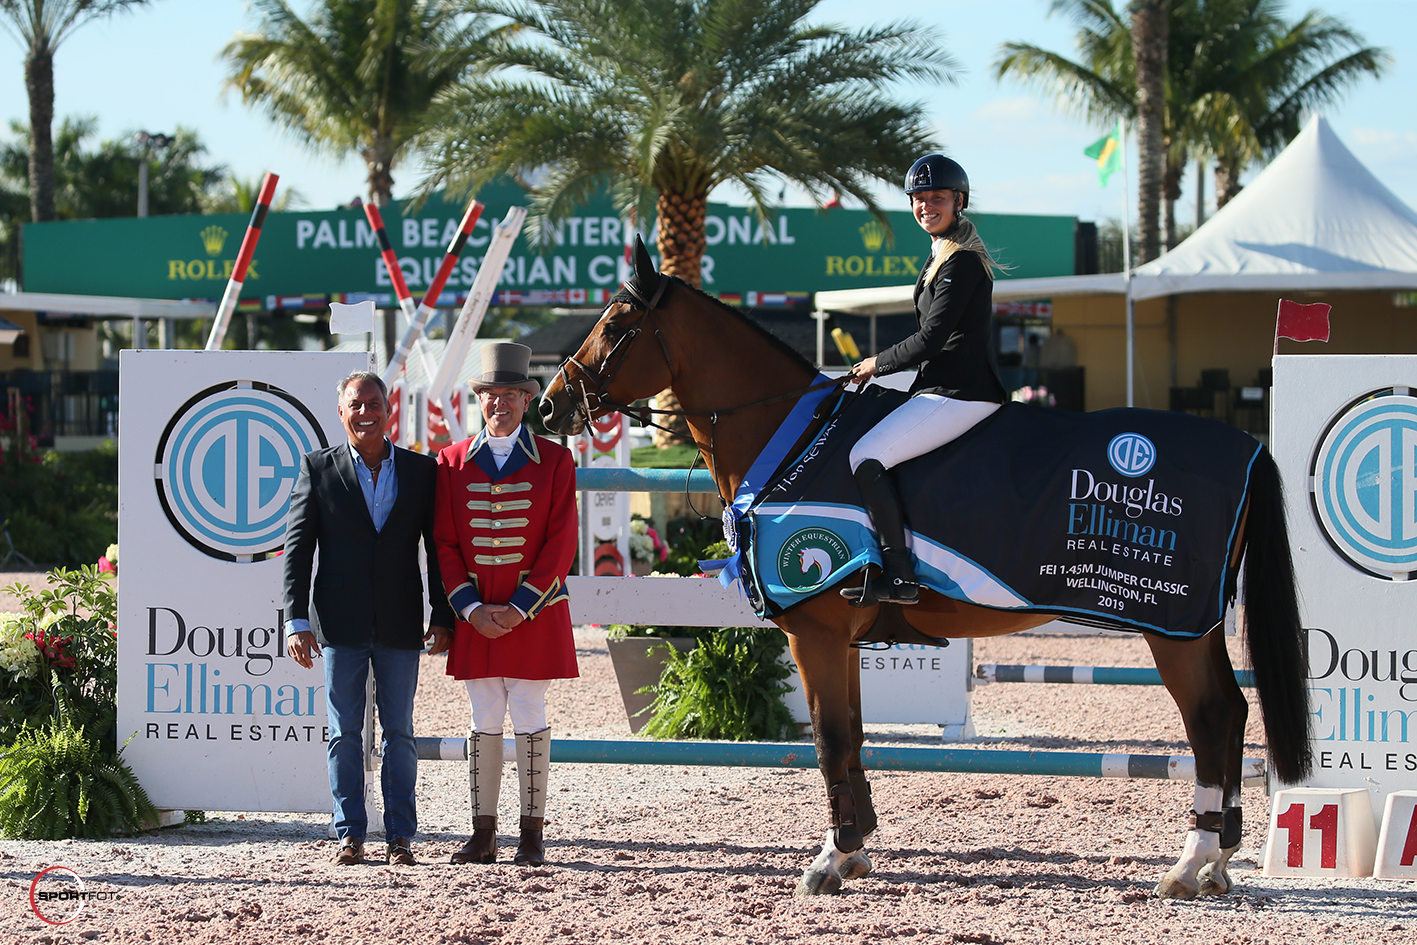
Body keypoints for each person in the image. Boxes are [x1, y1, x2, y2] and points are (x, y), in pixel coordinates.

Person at [283, 371, 455, 866]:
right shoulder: (316, 469)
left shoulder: (422, 473)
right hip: (339, 625)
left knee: (399, 732)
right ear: (342, 413)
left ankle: (401, 835)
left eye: (374, 403)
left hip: (403, 623)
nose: (366, 413)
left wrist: (443, 614)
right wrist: (296, 620)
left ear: (389, 409)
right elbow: (297, 551)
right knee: (344, 734)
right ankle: (350, 834)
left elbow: (439, 550)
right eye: (356, 405)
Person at [434, 342, 579, 866]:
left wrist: (520, 607)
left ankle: (533, 836)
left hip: (531, 613)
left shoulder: (558, 461)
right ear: (480, 400)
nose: (501, 404)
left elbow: (561, 544)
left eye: (511, 395)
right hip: (476, 612)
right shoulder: (450, 461)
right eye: (491, 395)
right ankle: (483, 833)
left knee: (530, 711)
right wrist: (470, 609)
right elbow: (445, 544)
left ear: (526, 400)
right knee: (483, 715)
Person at [841, 154, 1008, 607]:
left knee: (866, 455)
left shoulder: (961, 263)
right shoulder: (939, 254)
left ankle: (899, 576)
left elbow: (932, 338)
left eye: (937, 198)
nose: (926, 206)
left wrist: (876, 362)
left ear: (958, 202)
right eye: (920, 198)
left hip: (960, 392)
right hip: (938, 385)